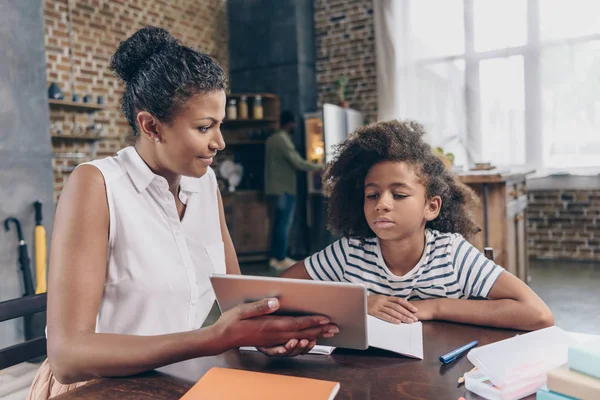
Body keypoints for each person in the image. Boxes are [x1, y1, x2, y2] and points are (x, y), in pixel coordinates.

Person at [28, 27, 338, 399]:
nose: (219, 142)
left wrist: (266, 335)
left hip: (174, 382)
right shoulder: (96, 186)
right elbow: (67, 356)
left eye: (219, 124)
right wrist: (209, 340)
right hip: (97, 389)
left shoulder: (205, 185)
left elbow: (239, 303)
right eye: (204, 127)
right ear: (151, 126)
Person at [282, 120, 554, 331]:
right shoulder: (349, 253)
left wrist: (434, 308)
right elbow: (274, 292)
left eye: (399, 195)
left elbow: (538, 314)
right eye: (372, 195)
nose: (382, 204)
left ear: (431, 207)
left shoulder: (451, 254)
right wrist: (357, 304)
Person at [264, 110, 323, 270]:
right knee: (283, 224)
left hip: (276, 188)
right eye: (294, 123)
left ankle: (276, 257)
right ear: (289, 123)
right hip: (284, 188)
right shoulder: (282, 139)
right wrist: (321, 166)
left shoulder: (272, 139)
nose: (296, 126)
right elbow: (298, 162)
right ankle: (280, 258)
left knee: (278, 224)